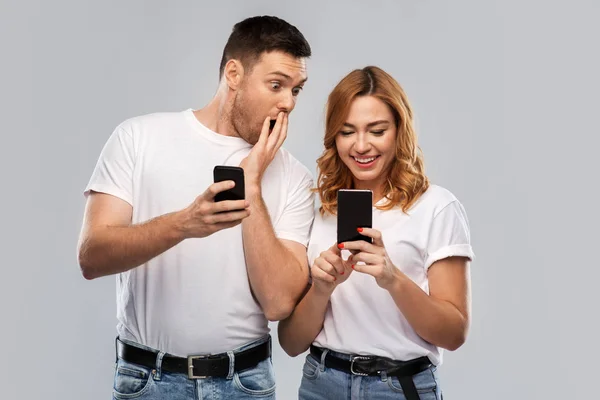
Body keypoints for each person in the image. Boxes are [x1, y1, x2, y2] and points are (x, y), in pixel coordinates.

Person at [77, 15, 314, 400]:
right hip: (147, 379)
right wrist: (184, 223)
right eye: (276, 85)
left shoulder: (294, 177)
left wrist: (251, 180)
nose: (287, 102)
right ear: (233, 74)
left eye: (297, 90)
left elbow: (278, 302)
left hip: (244, 382)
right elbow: (91, 258)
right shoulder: (139, 138)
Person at [278, 66, 474, 400]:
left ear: (400, 130)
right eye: (347, 131)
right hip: (321, 384)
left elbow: (454, 334)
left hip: (399, 387)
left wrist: (392, 278)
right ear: (333, 137)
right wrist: (321, 289)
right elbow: (291, 343)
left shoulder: (436, 207)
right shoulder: (321, 213)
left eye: (377, 130)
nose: (361, 145)